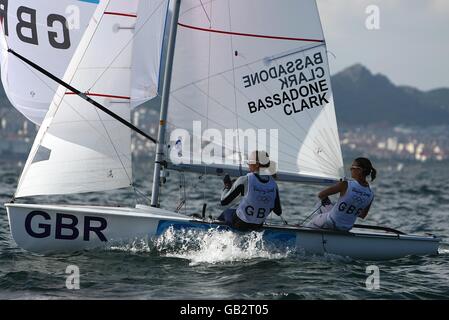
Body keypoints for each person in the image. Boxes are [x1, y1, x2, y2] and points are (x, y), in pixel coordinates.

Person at [217, 150, 282, 231]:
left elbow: (224, 202)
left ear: (257, 164)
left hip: (239, 223)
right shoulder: (273, 184)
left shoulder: (245, 179)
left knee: (226, 212)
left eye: (249, 162)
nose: (248, 164)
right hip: (257, 226)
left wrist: (227, 186)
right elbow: (278, 211)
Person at [306, 157, 376, 231]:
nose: (350, 169)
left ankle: (307, 232)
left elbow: (321, 195)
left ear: (360, 170)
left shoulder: (346, 184)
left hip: (332, 222)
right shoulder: (370, 194)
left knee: (320, 205)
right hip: (347, 227)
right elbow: (362, 215)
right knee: (326, 209)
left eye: (353, 167)